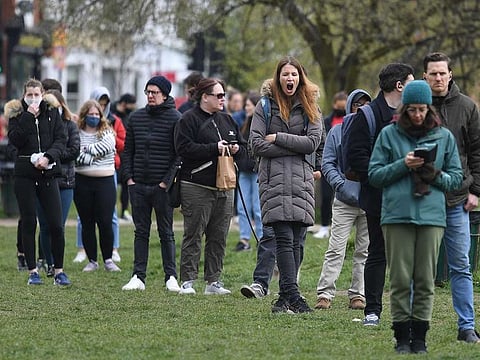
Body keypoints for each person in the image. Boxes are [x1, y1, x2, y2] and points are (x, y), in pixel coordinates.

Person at [369, 80, 463, 353]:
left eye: (423, 109)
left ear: (429, 108)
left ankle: (420, 338)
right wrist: (403, 164)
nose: (418, 115)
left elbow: (455, 178)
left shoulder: (443, 137)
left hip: (431, 217)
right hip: (397, 216)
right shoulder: (389, 135)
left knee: (424, 280)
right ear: (405, 108)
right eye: (413, 110)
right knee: (399, 279)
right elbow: (374, 175)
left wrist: (434, 174)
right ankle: (400, 338)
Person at [250, 56, 323, 313]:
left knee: (297, 240)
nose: (289, 79)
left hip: (301, 182)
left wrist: (279, 137)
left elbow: (313, 143)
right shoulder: (265, 106)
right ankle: (294, 296)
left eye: (293, 74)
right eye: (285, 74)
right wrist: (295, 147)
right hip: (274, 181)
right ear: (278, 78)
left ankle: (283, 299)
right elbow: (256, 144)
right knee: (282, 237)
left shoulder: (311, 106)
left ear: (300, 77)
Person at [346, 63, 415, 326]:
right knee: (378, 252)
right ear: (399, 85)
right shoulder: (368, 115)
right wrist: (385, 177)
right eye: (411, 81)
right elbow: (357, 157)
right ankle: (372, 310)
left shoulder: (413, 113)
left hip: (409, 196)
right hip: (379, 197)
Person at [423, 52, 480, 343]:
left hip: (458, 200)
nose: (438, 78)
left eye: (442, 73)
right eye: (433, 73)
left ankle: (466, 326)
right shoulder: (416, 108)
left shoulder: (468, 107)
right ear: (425, 76)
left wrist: (475, 191)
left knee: (461, 266)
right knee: (419, 267)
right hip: (422, 200)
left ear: (450, 74)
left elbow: (477, 151)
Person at [174, 77, 247, 295]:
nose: (223, 99)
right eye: (219, 95)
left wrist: (236, 149)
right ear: (204, 97)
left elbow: (243, 147)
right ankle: (187, 281)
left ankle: (213, 282)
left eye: (224, 95)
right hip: (196, 184)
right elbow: (183, 148)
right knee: (193, 234)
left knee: (219, 235)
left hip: (225, 186)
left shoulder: (227, 119)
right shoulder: (187, 119)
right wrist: (213, 148)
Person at [7, 78, 71, 286]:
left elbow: (61, 140)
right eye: (30, 94)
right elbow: (15, 141)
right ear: (24, 95)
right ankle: (32, 270)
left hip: (48, 174)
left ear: (43, 94)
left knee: (55, 223)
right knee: (29, 221)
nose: (33, 98)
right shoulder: (17, 115)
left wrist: (49, 157)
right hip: (25, 175)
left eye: (37, 94)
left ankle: (59, 270)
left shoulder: (53, 113)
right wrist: (27, 117)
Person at [121, 76, 182, 292]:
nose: (150, 95)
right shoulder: (136, 118)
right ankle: (138, 276)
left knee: (166, 232)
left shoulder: (176, 118)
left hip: (162, 187)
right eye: (148, 91)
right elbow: (128, 150)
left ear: (165, 94)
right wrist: (129, 178)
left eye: (154, 92)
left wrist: (166, 183)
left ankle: (171, 276)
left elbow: (178, 155)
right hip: (138, 185)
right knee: (141, 231)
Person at [315, 89, 371, 310]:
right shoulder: (337, 132)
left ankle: (358, 294)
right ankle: (325, 294)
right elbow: (327, 163)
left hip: (369, 200)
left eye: (366, 104)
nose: (362, 108)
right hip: (344, 202)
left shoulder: (375, 131)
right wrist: (340, 184)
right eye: (357, 104)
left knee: (364, 251)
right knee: (335, 248)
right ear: (350, 106)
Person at [73, 87, 125, 263]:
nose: (94, 116)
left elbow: (108, 147)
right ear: (84, 114)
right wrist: (92, 156)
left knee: (105, 222)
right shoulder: (76, 133)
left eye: (97, 113)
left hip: (105, 182)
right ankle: (92, 260)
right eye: (90, 113)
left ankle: (108, 259)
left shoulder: (108, 131)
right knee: (87, 223)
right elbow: (75, 156)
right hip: (82, 182)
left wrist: (87, 150)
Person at [36, 90, 80, 277]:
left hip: (65, 180)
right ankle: (49, 263)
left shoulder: (70, 126)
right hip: (43, 179)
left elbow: (74, 150)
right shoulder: (39, 126)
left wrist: (52, 154)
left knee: (57, 225)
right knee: (44, 225)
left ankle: (57, 263)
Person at [313, 91, 347, 239]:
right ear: (334, 104)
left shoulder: (350, 120)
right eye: (338, 106)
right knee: (326, 196)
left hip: (345, 164)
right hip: (330, 163)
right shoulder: (327, 121)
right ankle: (325, 225)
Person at [234, 91, 263, 252]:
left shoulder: (261, 125)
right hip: (244, 171)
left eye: (248, 105)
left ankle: (261, 238)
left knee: (258, 207)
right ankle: (244, 239)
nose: (246, 107)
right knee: (242, 206)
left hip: (257, 171)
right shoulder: (244, 123)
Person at [111, 93, 137, 222]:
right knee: (113, 186)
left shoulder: (128, 117)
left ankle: (124, 211)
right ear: (124, 103)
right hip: (113, 157)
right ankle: (112, 210)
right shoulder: (111, 114)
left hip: (125, 156)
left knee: (127, 185)